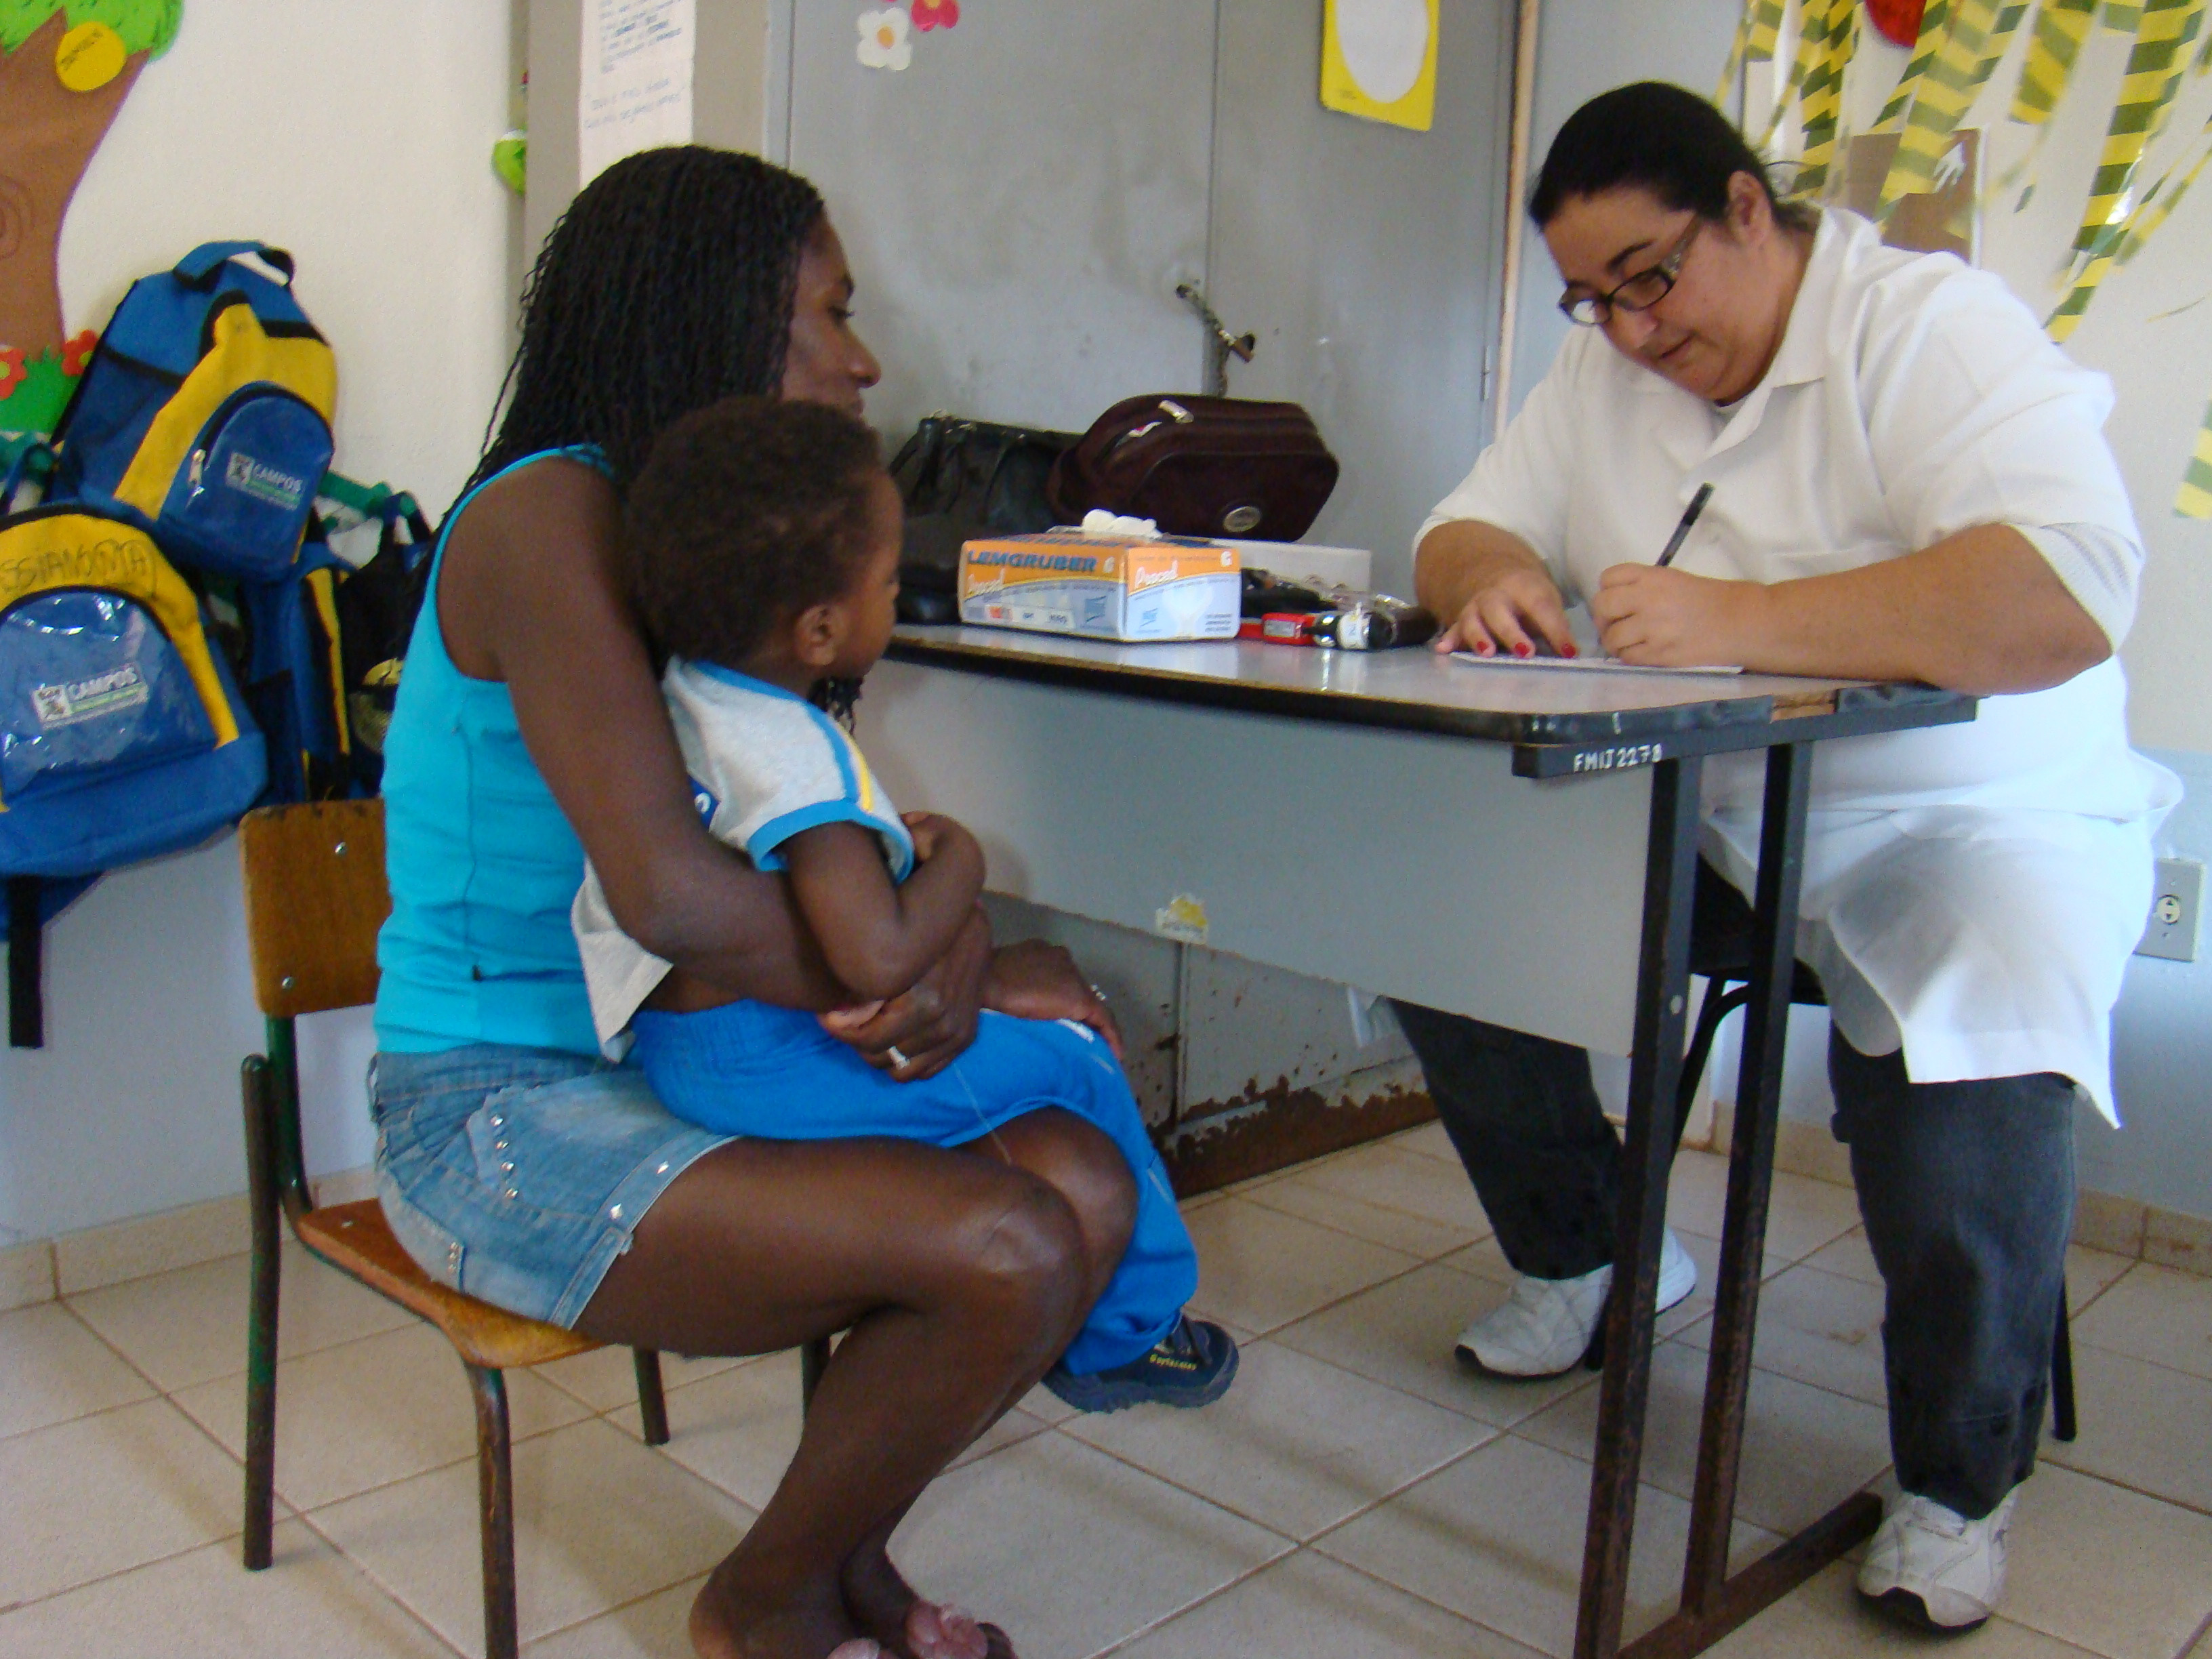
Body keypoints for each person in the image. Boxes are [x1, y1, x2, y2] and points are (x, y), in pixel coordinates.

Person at [371, 146, 1195, 1659]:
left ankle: (836, 1556)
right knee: (1005, 1243)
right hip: (499, 1105)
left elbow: (831, 848)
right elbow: (681, 897)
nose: (861, 356)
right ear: (715, 319)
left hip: (686, 1054)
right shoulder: (550, 520)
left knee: (1082, 1183)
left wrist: (948, 950)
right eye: (827, 310)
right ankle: (763, 1608)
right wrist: (925, 966)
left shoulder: (704, 547)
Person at [1396, 81, 2177, 1635]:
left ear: (1746, 206)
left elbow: (2068, 593)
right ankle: (1600, 1257)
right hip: (1720, 813)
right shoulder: (1603, 365)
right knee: (1435, 905)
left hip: (1965, 815)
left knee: (1967, 1046)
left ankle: (1959, 1482)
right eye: (1588, 297)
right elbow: (1464, 526)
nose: (1626, 331)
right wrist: (1487, 580)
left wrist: (1745, 626)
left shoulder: (1927, 329)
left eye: (1651, 278)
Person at [569, 393, 1233, 1410]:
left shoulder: (680, 699)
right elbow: (875, 959)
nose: (894, 599)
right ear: (823, 626)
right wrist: (962, 862)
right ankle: (1130, 1335)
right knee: (1082, 1060)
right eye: (887, 582)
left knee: (1031, 1069)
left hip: (674, 1052)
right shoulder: (800, 762)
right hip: (769, 1068)